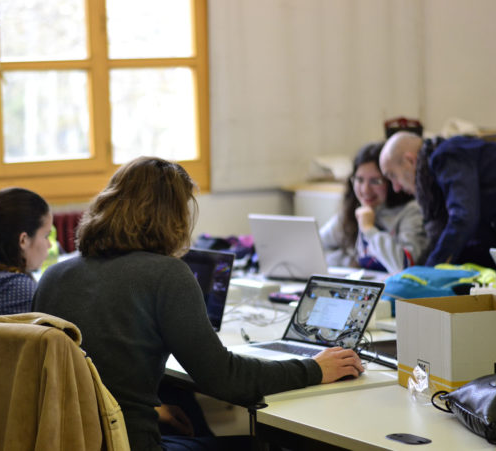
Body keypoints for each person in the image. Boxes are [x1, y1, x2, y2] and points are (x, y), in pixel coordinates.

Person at [33, 156, 364, 450]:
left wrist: (152, 411)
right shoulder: (166, 274)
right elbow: (225, 379)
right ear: (171, 217)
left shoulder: (55, 274)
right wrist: (314, 368)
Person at [379, 132, 496, 268]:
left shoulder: (446, 154)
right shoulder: (438, 178)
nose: (396, 188)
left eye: (392, 176)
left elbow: (463, 218)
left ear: (410, 161)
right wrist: (417, 271)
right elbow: (444, 237)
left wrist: (426, 273)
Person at [319, 142, 428, 273]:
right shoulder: (355, 210)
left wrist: (369, 229)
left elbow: (405, 266)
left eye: (375, 181)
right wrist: (349, 262)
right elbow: (317, 246)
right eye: (359, 180)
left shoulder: (412, 211)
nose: (365, 190)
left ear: (391, 180)